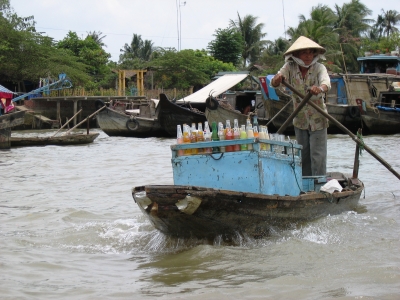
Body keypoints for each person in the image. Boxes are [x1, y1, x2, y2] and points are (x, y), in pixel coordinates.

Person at [270, 36, 331, 176]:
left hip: (318, 118)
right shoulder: (289, 67)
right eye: (305, 53)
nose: (309, 56)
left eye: (311, 53)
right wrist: (277, 79)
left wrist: (319, 89)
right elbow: (275, 81)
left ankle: (318, 185)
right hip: (300, 118)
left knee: (318, 156)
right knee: (303, 155)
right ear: (296, 55)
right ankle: (305, 185)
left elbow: (326, 83)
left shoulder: (319, 67)